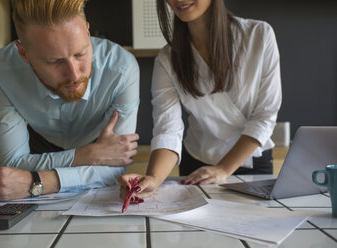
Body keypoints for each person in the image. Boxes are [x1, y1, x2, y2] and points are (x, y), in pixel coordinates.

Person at [119, 0, 281, 201]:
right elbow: (167, 129)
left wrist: (223, 169)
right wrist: (153, 177)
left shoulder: (259, 35)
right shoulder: (167, 58)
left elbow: (264, 116)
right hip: (196, 167)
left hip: (251, 161)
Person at [0, 0, 140, 201]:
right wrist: (85, 156)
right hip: (46, 145)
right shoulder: (2, 69)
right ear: (24, 53)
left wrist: (36, 182)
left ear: (88, 32)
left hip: (82, 163)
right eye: (54, 61)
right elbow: (12, 164)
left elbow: (114, 168)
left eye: (80, 53)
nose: (74, 74)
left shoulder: (121, 69)